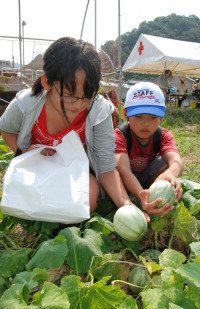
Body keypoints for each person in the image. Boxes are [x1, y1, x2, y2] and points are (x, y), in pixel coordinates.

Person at [0, 37, 133, 215]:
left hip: (75, 174)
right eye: (69, 95)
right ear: (47, 82)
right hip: (37, 169)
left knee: (89, 199)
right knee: (21, 196)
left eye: (88, 95)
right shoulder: (26, 104)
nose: (78, 104)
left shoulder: (99, 111)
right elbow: (6, 129)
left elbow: (106, 167)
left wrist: (125, 204)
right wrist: (23, 153)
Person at [114, 81, 184, 217]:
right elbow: (124, 170)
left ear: (161, 117)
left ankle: (152, 194)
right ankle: (133, 196)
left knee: (166, 161)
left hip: (146, 179)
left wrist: (171, 174)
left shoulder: (163, 135)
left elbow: (176, 160)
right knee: (114, 169)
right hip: (124, 179)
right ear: (125, 114)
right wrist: (141, 196)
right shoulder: (120, 135)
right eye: (139, 116)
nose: (145, 123)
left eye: (153, 117)